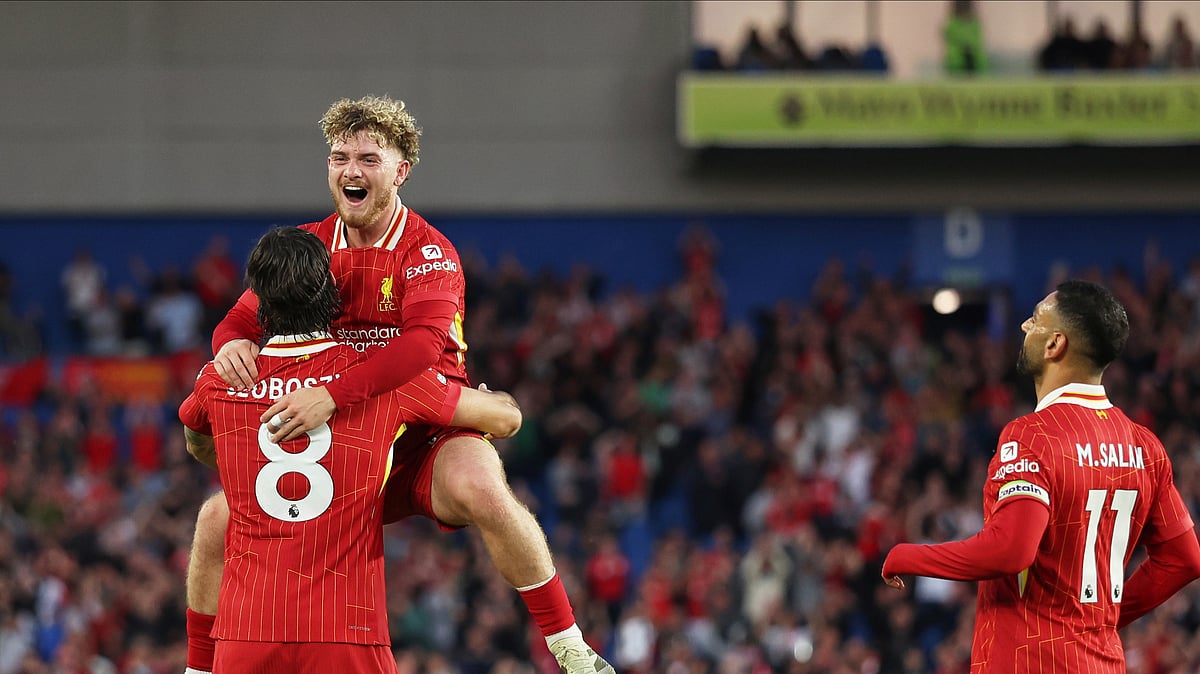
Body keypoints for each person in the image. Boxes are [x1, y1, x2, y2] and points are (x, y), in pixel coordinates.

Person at [188, 96, 614, 674]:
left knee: (482, 490)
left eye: (369, 158)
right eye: (340, 157)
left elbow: (418, 350)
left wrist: (332, 394)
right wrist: (230, 343)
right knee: (216, 518)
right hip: (349, 442)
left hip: (424, 431)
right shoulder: (311, 249)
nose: (351, 171)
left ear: (401, 169)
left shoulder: (428, 251)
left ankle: (568, 645)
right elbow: (238, 318)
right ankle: (198, 666)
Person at [179, 227, 523, 673]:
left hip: (247, 632)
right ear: (330, 295)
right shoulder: (377, 379)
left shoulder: (220, 379)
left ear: (259, 304)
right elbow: (504, 419)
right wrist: (501, 402)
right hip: (346, 632)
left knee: (212, 517)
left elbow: (195, 436)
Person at [882, 280, 1200, 671]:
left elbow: (1011, 550)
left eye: (1035, 320)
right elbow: (1183, 559)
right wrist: (1103, 617)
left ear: (1055, 345)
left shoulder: (1032, 435)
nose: (1023, 327)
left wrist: (908, 555)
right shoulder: (1145, 446)